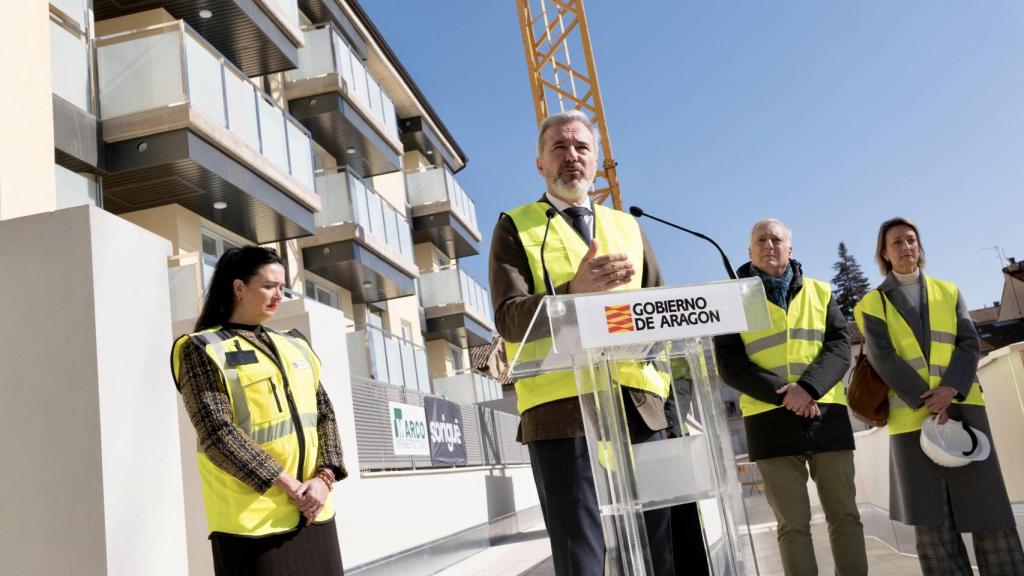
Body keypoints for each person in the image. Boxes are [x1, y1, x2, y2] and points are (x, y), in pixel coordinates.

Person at [489, 109, 680, 575]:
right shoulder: (515, 227)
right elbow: (509, 319)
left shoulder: (628, 226)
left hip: (640, 408)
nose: (571, 156)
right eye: (559, 147)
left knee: (661, 549)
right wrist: (571, 292)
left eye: (582, 148)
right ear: (540, 164)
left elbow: (661, 313)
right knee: (582, 555)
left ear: (596, 162)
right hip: (560, 412)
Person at [853, 217, 1024, 575]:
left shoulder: (948, 291)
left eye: (911, 240)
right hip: (910, 418)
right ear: (884, 253)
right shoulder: (871, 303)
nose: (906, 247)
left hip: (963, 407)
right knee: (933, 522)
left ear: (919, 246)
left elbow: (969, 342)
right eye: (897, 242)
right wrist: (927, 398)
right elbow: (883, 357)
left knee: (988, 510)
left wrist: (950, 389)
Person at [171, 246, 347, 575]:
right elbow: (217, 433)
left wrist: (323, 480)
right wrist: (292, 487)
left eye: (282, 287)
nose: (278, 295)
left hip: (314, 511)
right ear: (239, 287)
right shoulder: (202, 348)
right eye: (268, 286)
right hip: (251, 525)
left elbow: (325, 415)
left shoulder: (295, 344)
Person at [715, 218, 867, 576]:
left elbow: (839, 347)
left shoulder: (821, 292)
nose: (769, 245)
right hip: (769, 421)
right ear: (749, 251)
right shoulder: (731, 300)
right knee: (792, 524)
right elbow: (729, 363)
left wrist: (808, 388)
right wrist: (785, 394)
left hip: (825, 414)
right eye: (761, 240)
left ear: (790, 249)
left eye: (776, 239)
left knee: (845, 514)